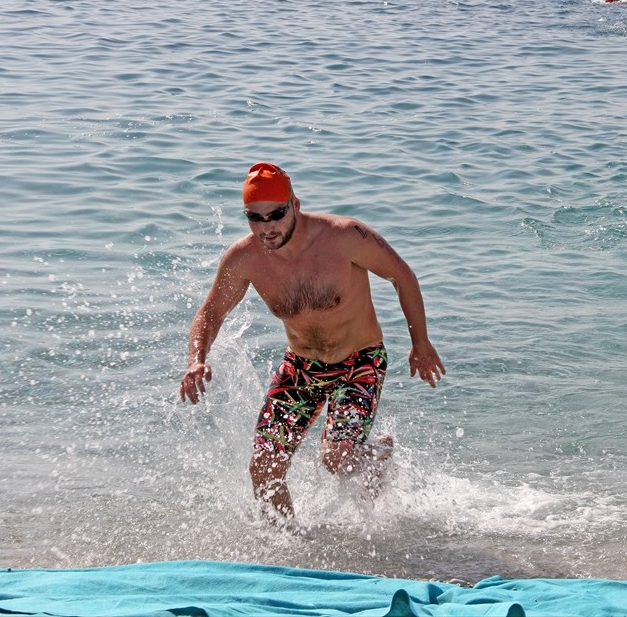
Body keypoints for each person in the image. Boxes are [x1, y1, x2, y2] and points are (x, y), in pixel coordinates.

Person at [180, 163, 445, 521]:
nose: (267, 226)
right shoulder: (245, 259)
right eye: (255, 218)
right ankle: (289, 546)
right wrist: (196, 358)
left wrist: (421, 343)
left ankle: (374, 454)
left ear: (296, 205)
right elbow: (211, 312)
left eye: (276, 214)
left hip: (359, 362)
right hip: (302, 367)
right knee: (264, 468)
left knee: (336, 459)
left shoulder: (345, 236)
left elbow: (402, 276)